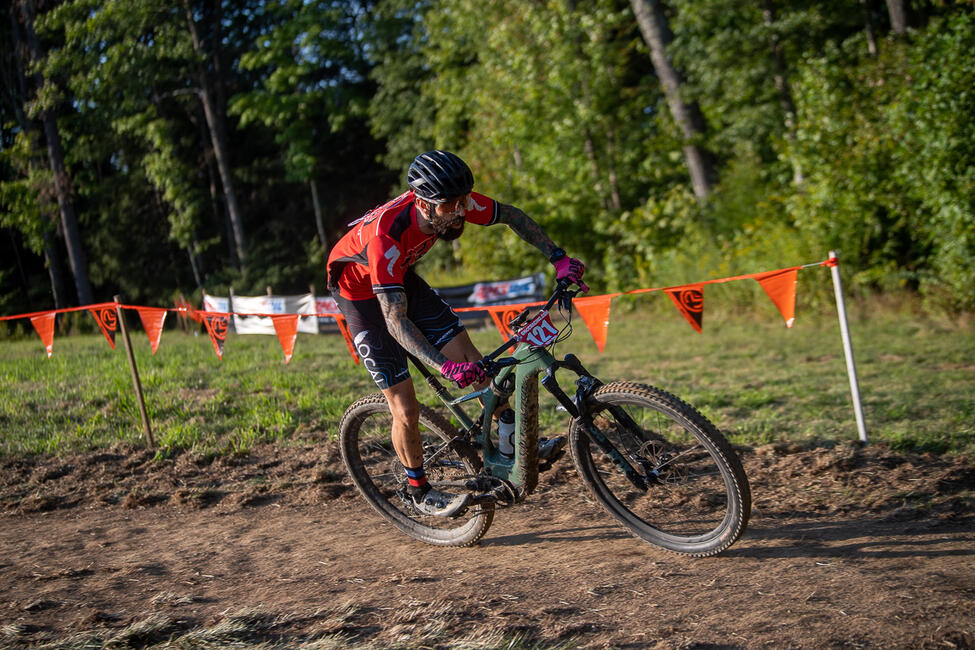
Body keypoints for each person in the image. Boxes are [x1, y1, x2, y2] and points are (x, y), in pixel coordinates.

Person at [326, 150, 587, 517]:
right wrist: (444, 367)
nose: (462, 212)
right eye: (451, 205)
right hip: (361, 298)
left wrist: (558, 258)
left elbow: (512, 216)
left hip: (399, 278)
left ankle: (512, 442)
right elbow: (395, 321)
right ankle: (417, 489)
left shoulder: (454, 202)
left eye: (464, 200)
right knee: (405, 407)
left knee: (474, 361)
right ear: (422, 203)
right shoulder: (386, 237)